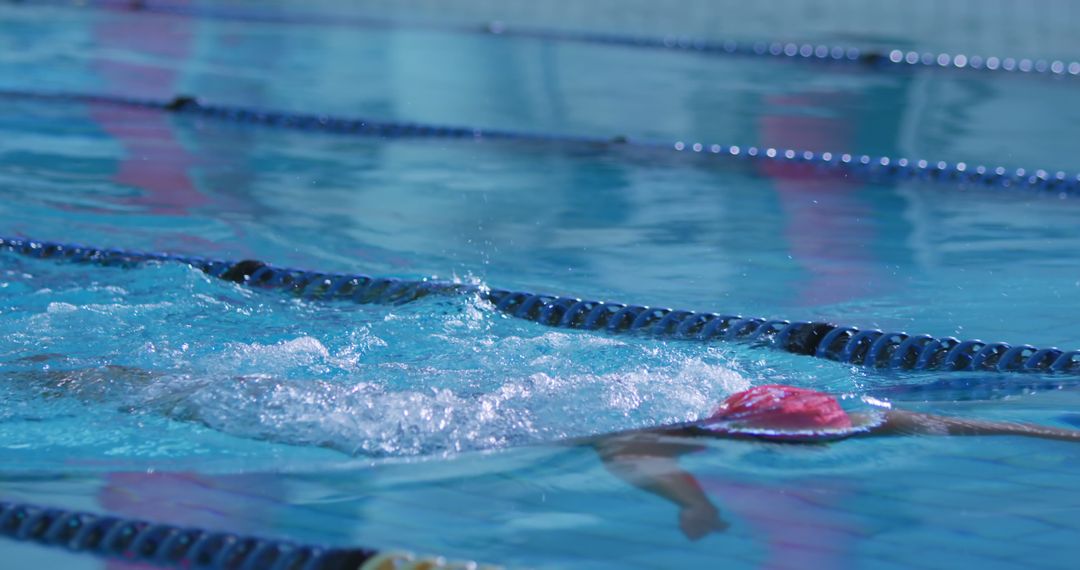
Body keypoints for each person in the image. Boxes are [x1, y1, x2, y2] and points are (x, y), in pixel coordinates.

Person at [584, 384, 1080, 540]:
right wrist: (692, 503)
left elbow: (973, 425)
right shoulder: (685, 433)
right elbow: (625, 453)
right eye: (808, 445)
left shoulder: (870, 420)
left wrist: (1068, 436)